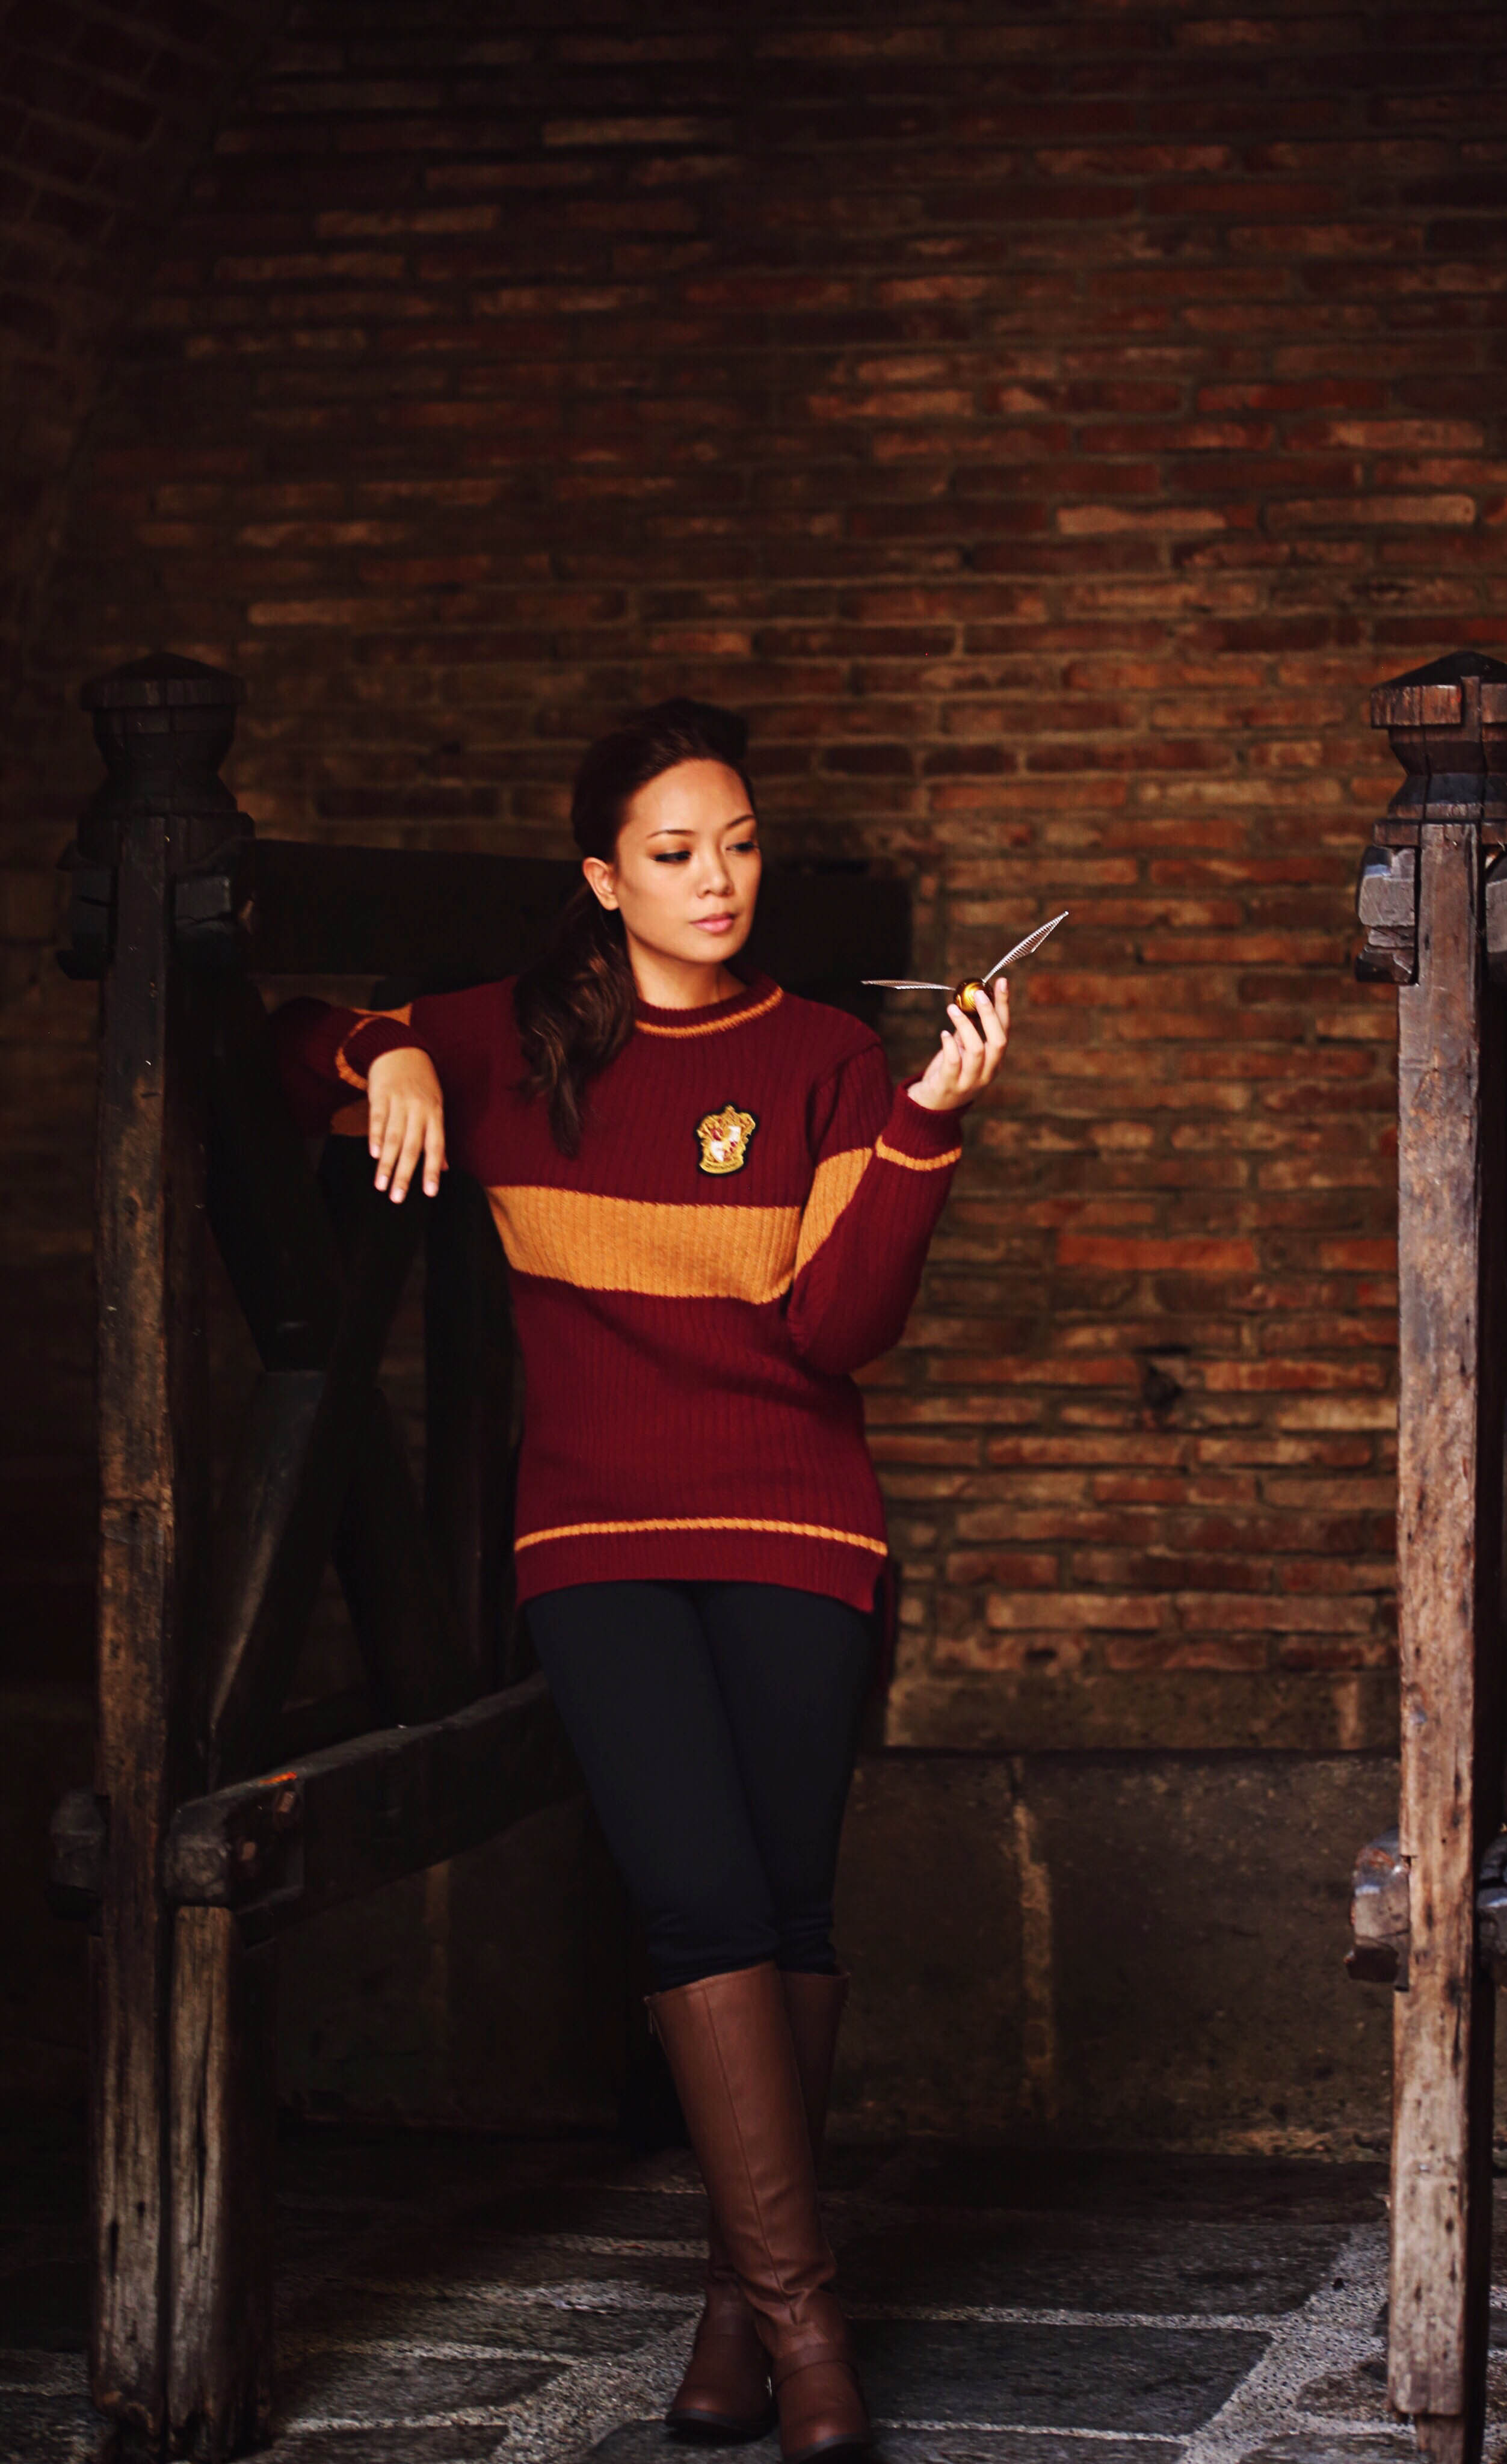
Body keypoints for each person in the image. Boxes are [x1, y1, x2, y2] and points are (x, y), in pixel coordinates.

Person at [274, 700, 1009, 2460]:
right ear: (604, 879)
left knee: (789, 1908)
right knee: (696, 1903)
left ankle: (736, 2309)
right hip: (597, 1538)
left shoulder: (828, 1056)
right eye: (675, 854)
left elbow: (837, 1334)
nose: (717, 880)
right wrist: (385, 1057)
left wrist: (925, 1124)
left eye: (738, 845)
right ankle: (810, 2326)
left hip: (798, 1525)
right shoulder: (510, 1039)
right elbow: (281, 1035)